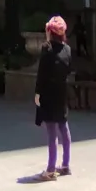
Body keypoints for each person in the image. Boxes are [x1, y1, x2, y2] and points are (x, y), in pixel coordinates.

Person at [32, 15, 72, 181]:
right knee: (63, 126)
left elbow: (42, 74)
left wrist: (37, 93)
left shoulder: (46, 49)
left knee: (51, 131)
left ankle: (50, 169)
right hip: (62, 91)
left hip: (48, 93)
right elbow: (68, 70)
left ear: (50, 32)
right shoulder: (67, 49)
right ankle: (65, 164)